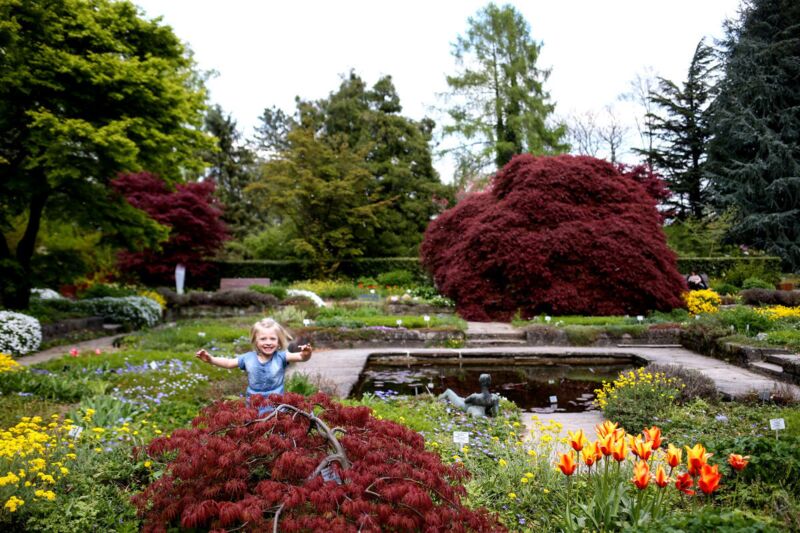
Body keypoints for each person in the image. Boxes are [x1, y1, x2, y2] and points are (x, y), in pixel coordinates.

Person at [195, 318, 313, 411]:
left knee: (276, 429)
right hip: (254, 405)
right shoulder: (248, 358)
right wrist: (211, 359)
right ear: (255, 341)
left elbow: (301, 357)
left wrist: (306, 353)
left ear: (278, 342)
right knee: (256, 429)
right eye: (263, 339)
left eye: (272, 339)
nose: (268, 342)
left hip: (276, 405)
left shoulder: (281, 357)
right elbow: (228, 363)